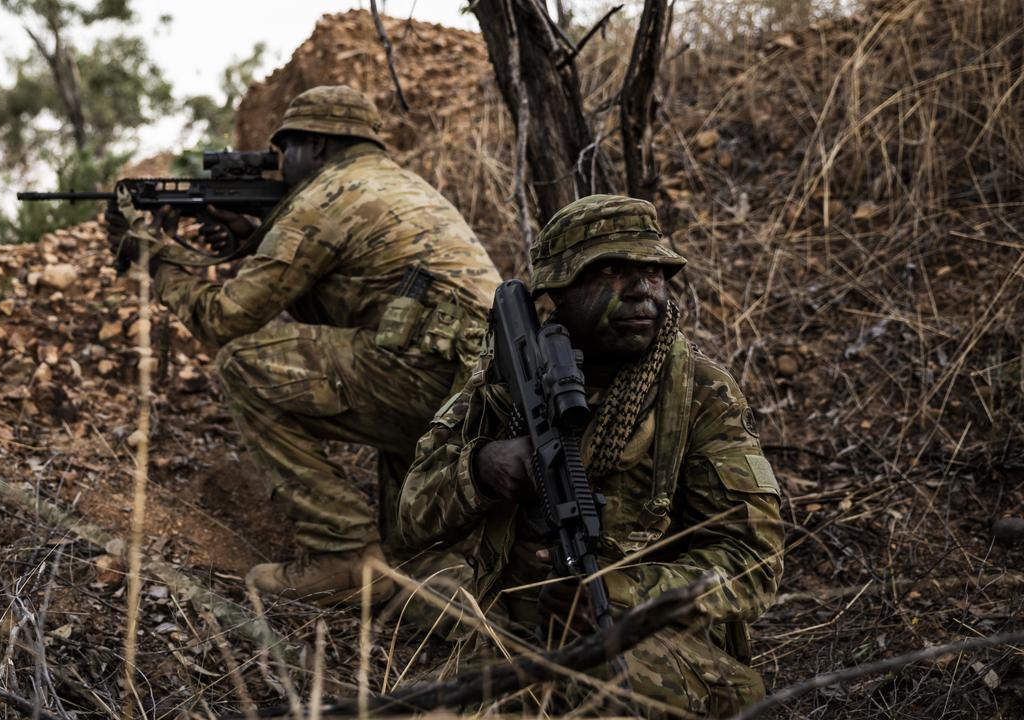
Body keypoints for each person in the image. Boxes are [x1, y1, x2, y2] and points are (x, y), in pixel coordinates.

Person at [107, 85, 502, 605]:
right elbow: (349, 295)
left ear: (316, 146)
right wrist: (257, 233)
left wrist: (154, 258)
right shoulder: (403, 187)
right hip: (479, 394)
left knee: (243, 364)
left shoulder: (323, 197)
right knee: (418, 571)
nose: (280, 164)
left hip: (428, 382)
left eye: (285, 150)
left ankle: (343, 556)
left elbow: (225, 320)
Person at [397, 194, 785, 715]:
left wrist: (619, 593)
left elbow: (751, 563)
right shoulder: (504, 381)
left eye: (654, 271)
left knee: (602, 681)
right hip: (509, 633)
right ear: (558, 289)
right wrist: (481, 467)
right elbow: (411, 516)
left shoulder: (699, 394)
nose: (643, 289)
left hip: (643, 639)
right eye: (613, 270)